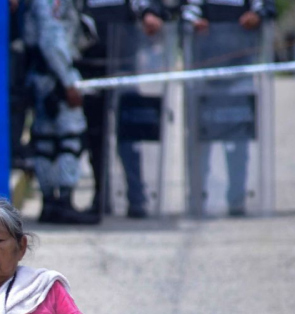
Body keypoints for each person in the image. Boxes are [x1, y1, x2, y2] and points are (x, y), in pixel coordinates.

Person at [182, 0, 277, 216]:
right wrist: (193, 23)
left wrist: (256, 17)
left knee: (238, 138)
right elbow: (184, 12)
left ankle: (237, 199)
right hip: (203, 72)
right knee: (200, 138)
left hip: (240, 72)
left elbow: (267, 8)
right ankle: (198, 197)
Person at [79, 0, 169, 217]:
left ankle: (137, 198)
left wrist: (150, 13)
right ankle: (102, 197)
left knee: (130, 134)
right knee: (96, 137)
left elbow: (150, 6)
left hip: (124, 65)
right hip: (91, 67)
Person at [25, 0, 99, 224]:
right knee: (70, 138)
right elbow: (52, 39)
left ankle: (49, 203)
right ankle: (63, 202)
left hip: (43, 75)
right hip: (56, 76)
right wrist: (68, 81)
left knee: (46, 141)